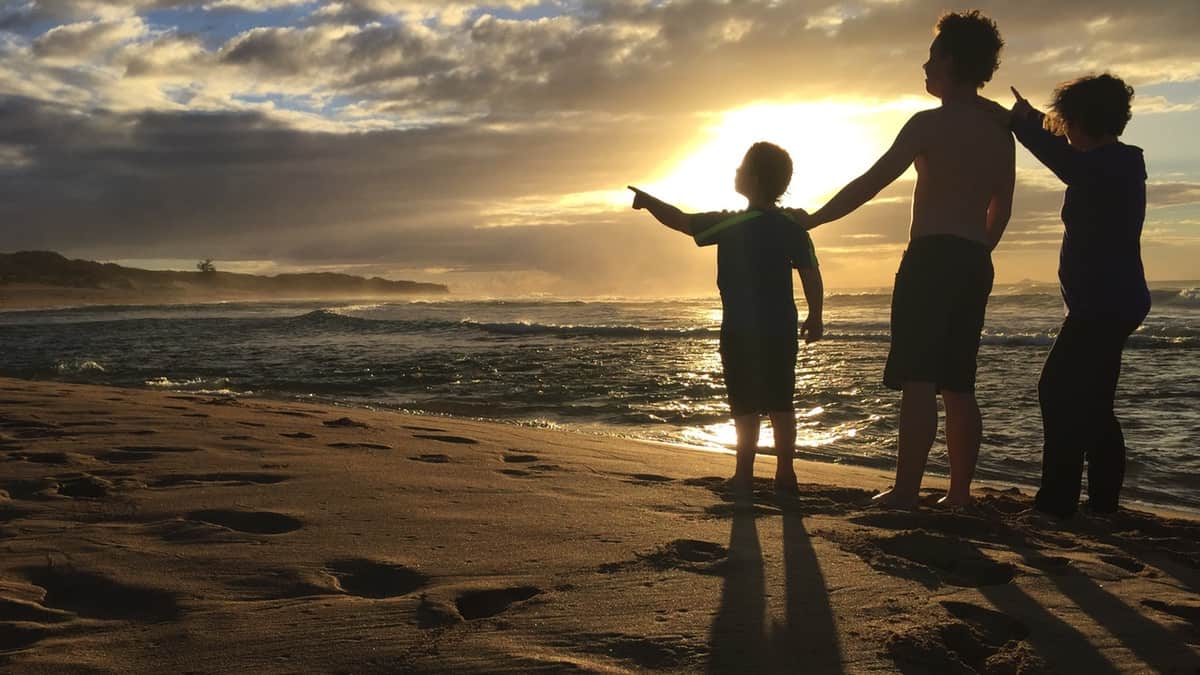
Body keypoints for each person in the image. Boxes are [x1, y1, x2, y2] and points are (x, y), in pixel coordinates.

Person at [797, 10, 1014, 507]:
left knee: (919, 377)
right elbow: (1001, 206)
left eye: (933, 54)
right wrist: (981, 249)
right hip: (973, 258)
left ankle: (906, 491)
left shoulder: (927, 124)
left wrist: (815, 219)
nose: (925, 62)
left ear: (951, 60)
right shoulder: (999, 129)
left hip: (931, 256)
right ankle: (959, 494)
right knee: (959, 382)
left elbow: (871, 183)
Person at [982, 76, 1150, 517]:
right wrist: (1032, 118)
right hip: (1106, 301)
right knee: (1092, 402)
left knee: (1057, 390)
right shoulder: (1111, 161)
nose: (1065, 129)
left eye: (1068, 121)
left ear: (1082, 121)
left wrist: (1023, 125)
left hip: (1105, 304)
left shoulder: (1115, 164)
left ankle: (1059, 502)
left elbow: (1064, 160)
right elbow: (1064, 147)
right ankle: (1100, 504)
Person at [628, 141, 824, 493]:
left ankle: (745, 474)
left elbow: (684, 222)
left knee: (745, 402)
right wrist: (816, 315)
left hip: (740, 328)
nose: (734, 172)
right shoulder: (792, 227)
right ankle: (785, 473)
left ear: (753, 178)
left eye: (740, 168)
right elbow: (810, 273)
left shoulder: (732, 224)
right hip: (781, 327)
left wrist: (649, 202)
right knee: (782, 400)